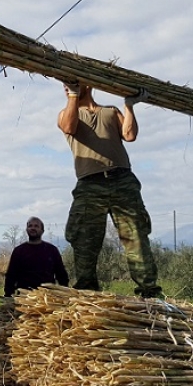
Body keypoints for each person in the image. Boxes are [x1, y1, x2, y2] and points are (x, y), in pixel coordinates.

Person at [58, 82, 163, 299]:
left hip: (122, 179)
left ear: (89, 83)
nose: (68, 86)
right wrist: (73, 96)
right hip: (89, 185)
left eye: (75, 82)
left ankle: (150, 294)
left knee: (136, 237)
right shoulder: (66, 114)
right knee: (84, 239)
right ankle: (87, 295)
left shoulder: (110, 111)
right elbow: (69, 127)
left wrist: (129, 105)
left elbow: (130, 135)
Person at [3, 217, 70, 298]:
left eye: (36, 226)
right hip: (24, 298)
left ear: (42, 231)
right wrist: (8, 295)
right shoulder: (19, 251)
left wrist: (65, 293)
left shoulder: (52, 250)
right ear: (27, 229)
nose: (33, 228)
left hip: (47, 297)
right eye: (30, 226)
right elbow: (11, 276)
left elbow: (61, 274)